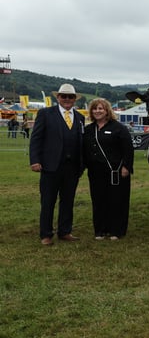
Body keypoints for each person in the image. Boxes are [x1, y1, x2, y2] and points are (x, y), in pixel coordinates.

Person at [29, 83, 85, 245]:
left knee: (68, 201)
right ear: (58, 97)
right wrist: (35, 160)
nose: (67, 99)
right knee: (48, 201)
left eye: (70, 97)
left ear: (75, 99)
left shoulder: (80, 118)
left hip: (72, 167)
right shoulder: (45, 114)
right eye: (64, 96)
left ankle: (65, 231)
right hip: (50, 166)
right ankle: (46, 234)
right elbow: (36, 139)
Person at [83, 98, 134, 240]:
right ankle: (100, 230)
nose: (97, 111)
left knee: (117, 201)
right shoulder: (88, 130)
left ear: (107, 111)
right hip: (95, 172)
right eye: (95, 108)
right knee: (98, 200)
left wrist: (126, 167)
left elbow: (128, 149)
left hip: (116, 171)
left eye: (101, 109)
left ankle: (117, 230)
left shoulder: (119, 128)